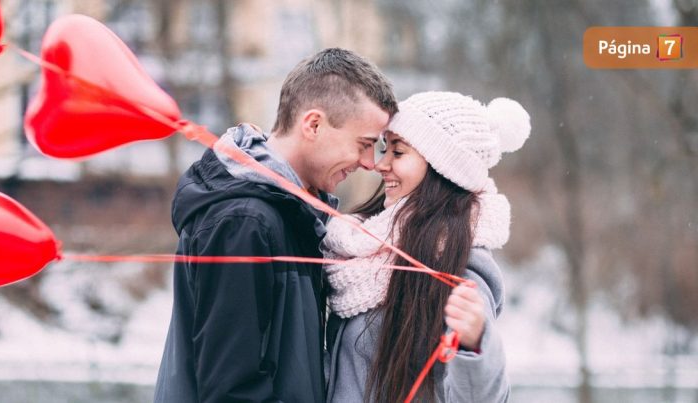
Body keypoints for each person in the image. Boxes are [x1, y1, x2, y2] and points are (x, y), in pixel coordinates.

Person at [154, 48, 397, 403]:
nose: (368, 163)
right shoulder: (244, 221)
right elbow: (231, 391)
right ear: (313, 125)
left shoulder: (291, 214)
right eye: (364, 145)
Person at [322, 91, 530, 402]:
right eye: (384, 149)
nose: (381, 164)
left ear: (441, 167)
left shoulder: (460, 265)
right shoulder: (360, 249)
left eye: (399, 152)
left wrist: (474, 343)